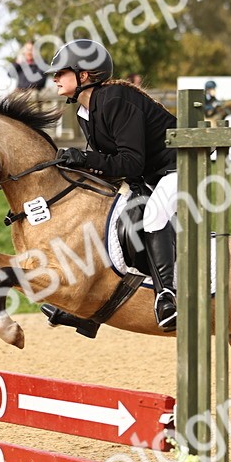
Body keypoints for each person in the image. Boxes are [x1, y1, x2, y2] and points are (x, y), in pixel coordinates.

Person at [46, 39, 178, 331]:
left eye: (61, 72)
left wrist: (82, 157)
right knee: (105, 223)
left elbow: (129, 162)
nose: (55, 77)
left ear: (84, 75)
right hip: (148, 177)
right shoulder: (85, 112)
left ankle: (168, 296)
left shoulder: (115, 98)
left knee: (153, 214)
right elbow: (110, 167)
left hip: (181, 169)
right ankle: (90, 311)